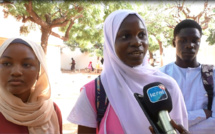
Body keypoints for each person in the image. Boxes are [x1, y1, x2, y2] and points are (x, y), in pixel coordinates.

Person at [67, 10, 188, 134]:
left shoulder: (167, 86)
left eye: (141, 34)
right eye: (125, 36)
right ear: (110, 42)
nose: (137, 42)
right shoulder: (95, 92)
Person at [160, 19, 215, 133]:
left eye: (195, 40)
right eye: (183, 40)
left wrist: (176, 128)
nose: (190, 45)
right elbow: (161, 120)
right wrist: (202, 114)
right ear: (174, 42)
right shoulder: (161, 75)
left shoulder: (212, 75)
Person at [0, 37, 62, 134]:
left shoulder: (50, 111)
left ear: (38, 72)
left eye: (26, 65)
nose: (16, 72)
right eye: (7, 63)